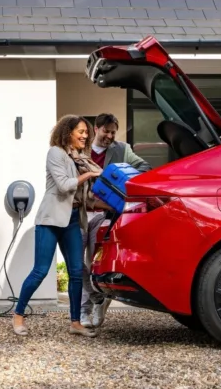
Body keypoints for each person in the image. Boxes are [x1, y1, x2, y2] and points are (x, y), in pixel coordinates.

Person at [12, 115, 103, 337]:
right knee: (40, 271)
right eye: (80, 131)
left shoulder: (81, 158)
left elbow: (84, 196)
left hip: (72, 219)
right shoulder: (56, 153)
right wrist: (90, 174)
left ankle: (75, 323)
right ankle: (18, 315)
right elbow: (64, 185)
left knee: (75, 271)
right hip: (51, 220)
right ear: (68, 132)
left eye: (86, 132)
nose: (85, 136)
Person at [80, 113, 152, 329]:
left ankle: (89, 310)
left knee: (93, 263)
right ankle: (92, 301)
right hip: (80, 212)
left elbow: (144, 168)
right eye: (106, 131)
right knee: (77, 262)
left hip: (105, 214)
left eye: (113, 132)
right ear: (96, 128)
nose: (109, 136)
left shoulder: (122, 150)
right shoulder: (81, 149)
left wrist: (120, 178)